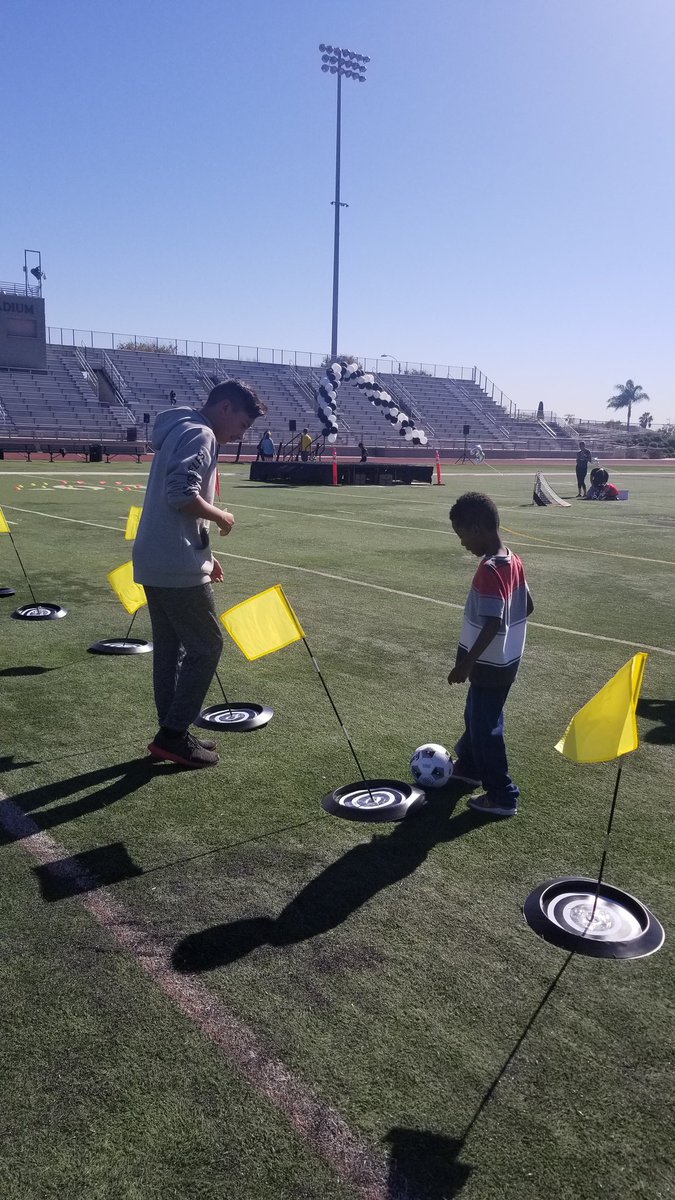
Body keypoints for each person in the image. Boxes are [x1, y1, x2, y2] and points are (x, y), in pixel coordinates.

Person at [133, 379, 267, 768]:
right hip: (176, 564)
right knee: (208, 646)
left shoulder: (179, 428)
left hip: (158, 559)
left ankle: (170, 732)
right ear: (225, 407)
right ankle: (173, 735)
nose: (240, 435)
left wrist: (205, 554)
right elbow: (181, 494)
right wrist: (221, 516)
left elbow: (175, 503)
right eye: (242, 425)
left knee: (171, 649)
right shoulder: (201, 433)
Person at [447, 492, 534, 817]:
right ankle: (469, 766)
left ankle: (502, 794)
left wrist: (465, 664)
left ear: (477, 528)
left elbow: (493, 621)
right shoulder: (512, 559)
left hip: (488, 663)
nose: (462, 543)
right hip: (506, 661)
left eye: (462, 535)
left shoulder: (490, 568)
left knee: (486, 726)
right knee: (476, 716)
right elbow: (528, 604)